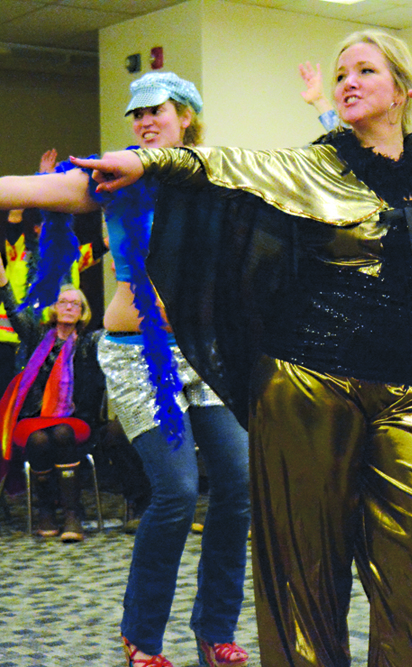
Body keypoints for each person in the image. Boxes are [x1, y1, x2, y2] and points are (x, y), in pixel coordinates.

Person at [74, 30, 412, 667]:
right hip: (307, 384)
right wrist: (148, 163)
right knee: (303, 571)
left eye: (365, 70)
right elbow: (227, 166)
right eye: (341, 75)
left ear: (401, 89)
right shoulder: (315, 166)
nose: (349, 83)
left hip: (409, 392)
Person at [0, 71, 251, 667]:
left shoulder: (215, 175)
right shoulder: (110, 179)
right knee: (177, 490)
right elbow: (28, 189)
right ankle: (142, 638)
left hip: (203, 351)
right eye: (135, 114)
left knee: (238, 485)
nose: (143, 122)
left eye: (156, 111)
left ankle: (215, 629)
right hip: (137, 353)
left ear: (185, 114)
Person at [0, 278, 103, 542]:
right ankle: (45, 509)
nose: (69, 307)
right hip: (33, 418)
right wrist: (3, 283)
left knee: (61, 433)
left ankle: (72, 514)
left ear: (82, 312)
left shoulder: (90, 343)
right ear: (54, 309)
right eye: (63, 303)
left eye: (75, 304)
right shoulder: (36, 335)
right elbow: (14, 310)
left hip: (74, 418)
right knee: (38, 438)